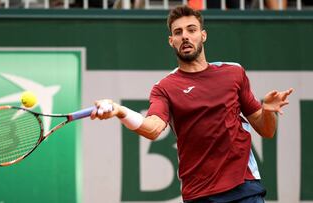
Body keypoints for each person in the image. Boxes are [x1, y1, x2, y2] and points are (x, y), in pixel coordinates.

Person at [91, 5, 293, 203]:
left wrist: (267, 111)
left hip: (245, 188)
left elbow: (266, 130)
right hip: (200, 194)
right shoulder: (165, 88)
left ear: (203, 35)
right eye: (178, 32)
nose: (185, 36)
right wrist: (120, 111)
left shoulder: (234, 73)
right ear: (171, 41)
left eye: (191, 30)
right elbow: (152, 129)